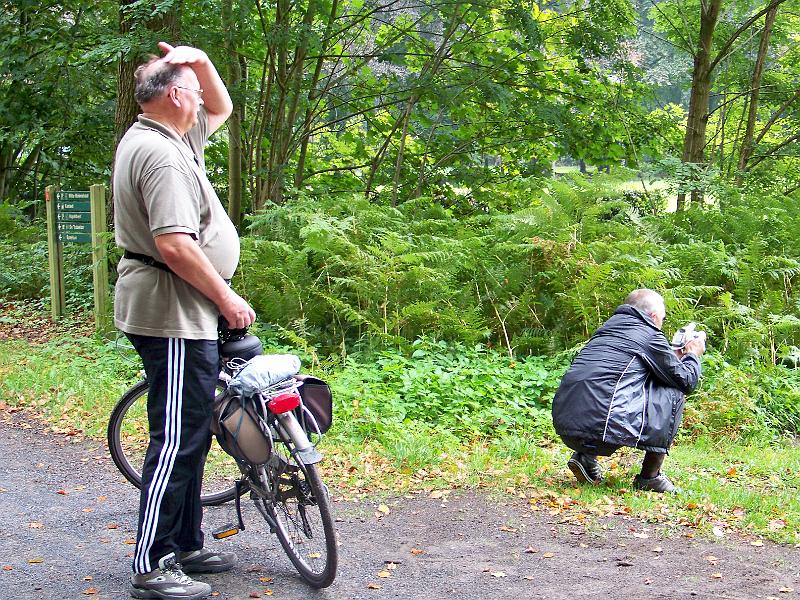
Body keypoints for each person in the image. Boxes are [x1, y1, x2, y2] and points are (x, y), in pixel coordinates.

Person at [113, 42, 256, 600]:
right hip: (173, 310)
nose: (201, 100)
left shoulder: (170, 134)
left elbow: (219, 107)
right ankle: (152, 562)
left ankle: (187, 542)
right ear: (175, 97)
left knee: (193, 429)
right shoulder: (163, 155)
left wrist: (201, 64)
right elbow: (174, 245)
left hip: (182, 310)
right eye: (192, 89)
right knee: (175, 437)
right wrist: (227, 299)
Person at [551, 289, 706, 493]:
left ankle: (585, 458)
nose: (662, 324)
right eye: (662, 318)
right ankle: (650, 477)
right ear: (652, 316)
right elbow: (685, 381)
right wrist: (692, 354)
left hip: (566, 425)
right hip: (601, 428)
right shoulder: (649, 335)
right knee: (673, 391)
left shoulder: (605, 331)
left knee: (608, 387)